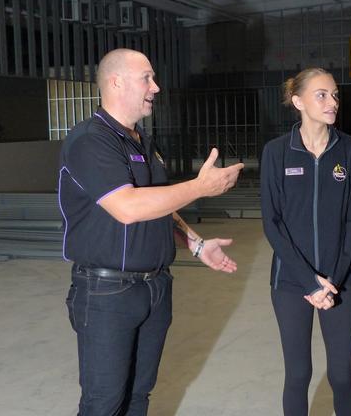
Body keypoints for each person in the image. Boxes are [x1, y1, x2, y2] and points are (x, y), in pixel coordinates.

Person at [58, 48, 244, 416]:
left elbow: (159, 207)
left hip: (155, 289)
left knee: (139, 397)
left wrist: (195, 243)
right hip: (107, 293)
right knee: (103, 403)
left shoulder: (143, 142)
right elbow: (127, 207)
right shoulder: (90, 141)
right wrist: (200, 187)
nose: (156, 87)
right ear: (115, 82)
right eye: (147, 78)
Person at [260, 68, 351, 416]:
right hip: (291, 282)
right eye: (321, 94)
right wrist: (309, 281)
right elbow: (272, 223)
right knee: (298, 374)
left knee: (341, 375)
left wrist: (331, 282)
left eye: (335, 94)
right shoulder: (277, 152)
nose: (332, 102)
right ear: (298, 101)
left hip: (341, 281)